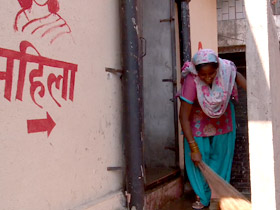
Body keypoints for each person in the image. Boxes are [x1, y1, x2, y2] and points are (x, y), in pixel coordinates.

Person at [179, 49, 246, 209]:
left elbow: (245, 83)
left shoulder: (227, 70)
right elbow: (183, 117)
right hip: (197, 119)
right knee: (199, 158)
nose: (208, 78)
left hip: (222, 117)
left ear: (218, 69)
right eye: (203, 75)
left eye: (211, 74)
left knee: (221, 157)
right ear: (197, 72)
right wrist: (193, 147)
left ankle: (217, 196)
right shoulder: (191, 80)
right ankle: (203, 197)